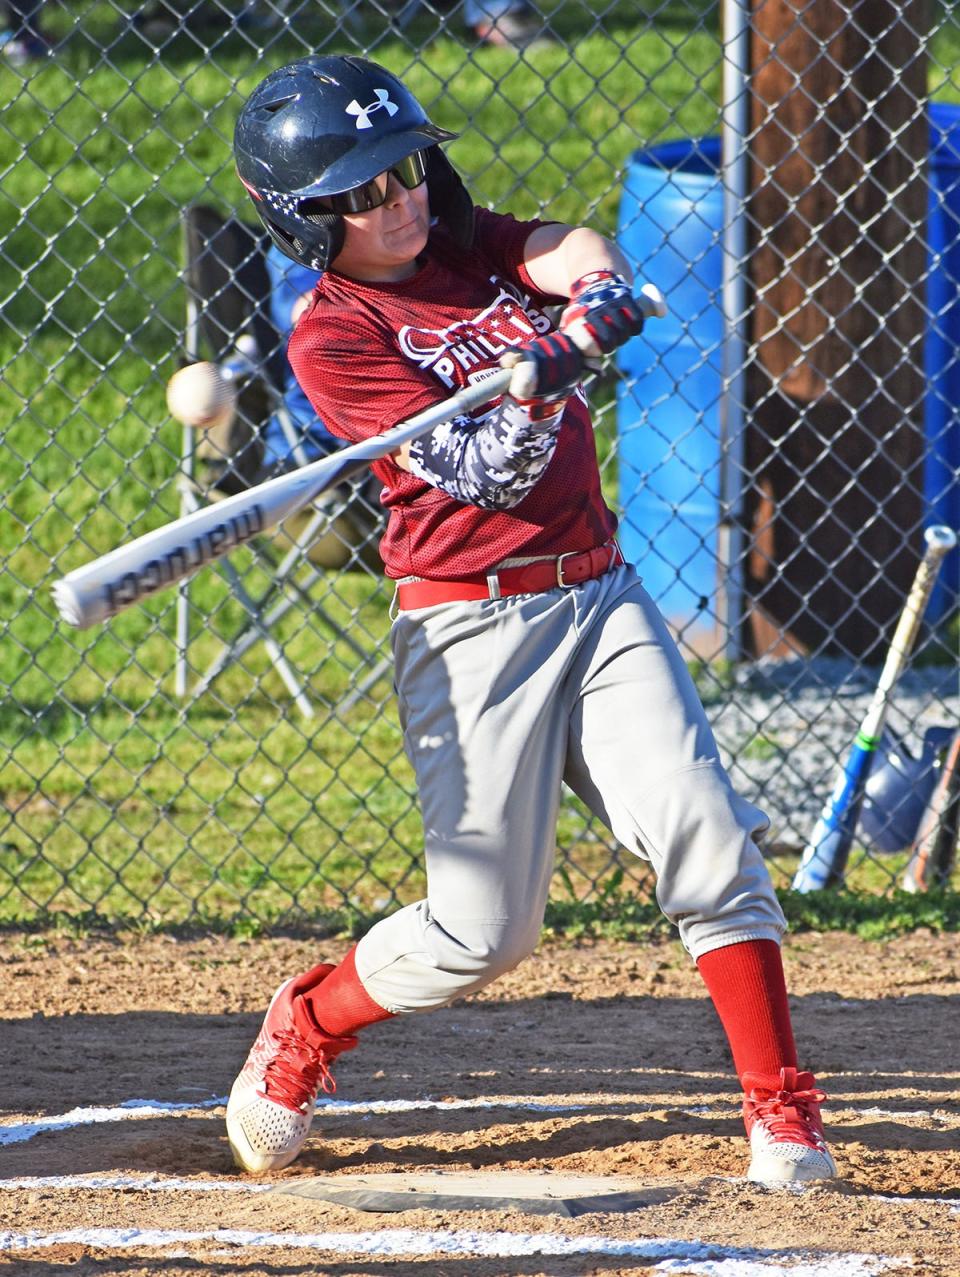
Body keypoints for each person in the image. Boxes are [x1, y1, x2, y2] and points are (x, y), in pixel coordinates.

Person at [225, 53, 837, 1187]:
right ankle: (310, 1018)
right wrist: (539, 378)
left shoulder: (459, 242)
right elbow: (484, 474)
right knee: (481, 935)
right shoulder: (335, 336)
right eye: (360, 194)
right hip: (470, 633)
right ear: (303, 222)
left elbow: (562, 245)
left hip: (598, 595)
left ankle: (782, 1111)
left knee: (706, 832)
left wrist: (590, 299)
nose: (399, 201)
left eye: (407, 169)